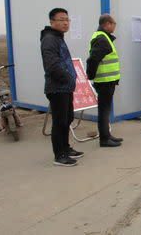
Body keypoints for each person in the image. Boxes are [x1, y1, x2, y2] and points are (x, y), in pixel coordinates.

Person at [40, 8, 83, 166]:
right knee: (59, 122)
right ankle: (59, 155)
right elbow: (51, 65)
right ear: (52, 22)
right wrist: (66, 78)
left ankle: (66, 147)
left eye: (67, 19)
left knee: (67, 119)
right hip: (57, 88)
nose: (65, 23)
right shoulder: (49, 39)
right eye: (61, 19)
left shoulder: (58, 37)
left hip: (66, 88)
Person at [86, 14, 122, 147]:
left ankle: (107, 135)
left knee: (106, 110)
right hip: (104, 81)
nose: (114, 26)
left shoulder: (103, 37)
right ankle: (104, 139)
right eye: (114, 24)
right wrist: (90, 76)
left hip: (108, 80)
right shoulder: (101, 38)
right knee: (104, 111)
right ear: (107, 24)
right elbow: (93, 59)